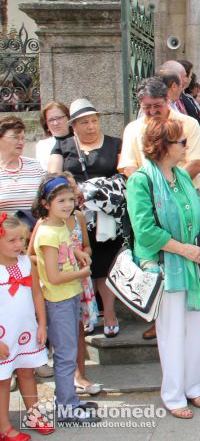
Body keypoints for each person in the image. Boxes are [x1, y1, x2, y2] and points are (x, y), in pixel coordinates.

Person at [126, 118, 200, 420]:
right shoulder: (141, 180)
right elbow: (144, 230)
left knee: (194, 329)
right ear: (163, 147)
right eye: (181, 142)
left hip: (194, 265)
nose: (186, 146)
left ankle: (193, 387)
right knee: (172, 334)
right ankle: (174, 394)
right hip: (167, 269)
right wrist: (184, 249)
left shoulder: (180, 176)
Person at [48, 98, 123, 338]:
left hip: (106, 220)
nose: (91, 127)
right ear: (74, 126)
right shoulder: (64, 146)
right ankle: (87, 315)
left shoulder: (114, 144)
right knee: (78, 265)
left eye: (94, 121)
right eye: (84, 122)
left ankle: (109, 314)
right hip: (75, 218)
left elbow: (124, 178)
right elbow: (53, 178)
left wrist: (89, 190)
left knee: (105, 267)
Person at [32, 174, 100, 424]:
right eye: (61, 200)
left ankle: (70, 400)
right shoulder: (47, 232)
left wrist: (78, 252)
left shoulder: (60, 226)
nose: (68, 205)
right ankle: (67, 408)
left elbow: (67, 250)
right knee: (65, 355)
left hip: (71, 296)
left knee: (68, 353)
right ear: (45, 203)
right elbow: (52, 275)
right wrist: (82, 272)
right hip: (58, 300)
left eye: (71, 199)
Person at [0, 215, 54, 440]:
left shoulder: (26, 263)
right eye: (12, 240)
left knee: (27, 372)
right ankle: (4, 426)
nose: (19, 245)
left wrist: (42, 324)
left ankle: (33, 415)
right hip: (3, 334)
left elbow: (36, 294)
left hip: (25, 330)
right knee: (2, 379)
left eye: (21, 239)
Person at [0, 116, 45, 215]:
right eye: (15, 137)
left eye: (23, 138)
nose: (21, 142)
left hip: (34, 228)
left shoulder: (35, 166)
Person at [36, 101, 72, 170]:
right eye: (51, 120)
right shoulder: (42, 146)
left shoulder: (78, 140)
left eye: (59, 118)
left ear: (68, 118)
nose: (55, 123)